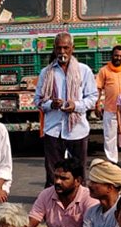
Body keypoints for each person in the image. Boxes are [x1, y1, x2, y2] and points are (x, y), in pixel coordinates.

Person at [35, 32, 98, 187]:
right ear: (54, 49)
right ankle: (53, 205)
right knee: (52, 175)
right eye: (59, 48)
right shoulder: (46, 72)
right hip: (53, 130)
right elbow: (38, 100)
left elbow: (92, 97)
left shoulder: (84, 70)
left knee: (78, 173)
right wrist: (51, 104)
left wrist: (75, 106)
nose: (62, 52)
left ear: (72, 48)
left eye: (66, 48)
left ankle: (80, 206)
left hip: (77, 129)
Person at [95, 45, 121, 165]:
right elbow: (98, 88)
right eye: (116, 55)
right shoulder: (104, 70)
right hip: (110, 109)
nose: (119, 58)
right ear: (112, 55)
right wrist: (97, 104)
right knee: (109, 136)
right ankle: (112, 160)